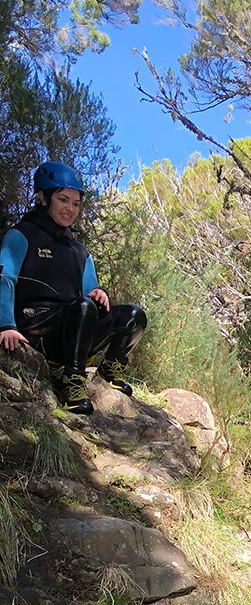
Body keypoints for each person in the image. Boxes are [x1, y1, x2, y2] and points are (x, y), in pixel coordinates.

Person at [0, 161, 147, 416]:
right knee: (81, 307)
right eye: (63, 200)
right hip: (36, 327)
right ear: (43, 198)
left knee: (134, 316)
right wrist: (6, 326)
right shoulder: (21, 235)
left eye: (76, 204)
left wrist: (99, 294)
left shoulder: (80, 252)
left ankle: (111, 367)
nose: (70, 209)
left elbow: (90, 298)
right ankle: (73, 383)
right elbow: (5, 279)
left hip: (75, 330)